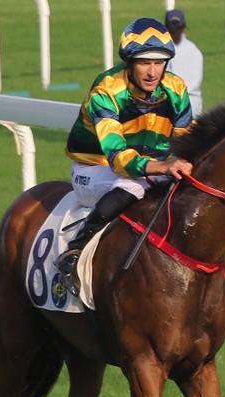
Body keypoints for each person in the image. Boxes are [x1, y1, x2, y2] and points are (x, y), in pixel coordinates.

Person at [54, 17, 195, 295]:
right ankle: (76, 250)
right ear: (129, 63)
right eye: (144, 62)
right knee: (139, 184)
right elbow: (119, 159)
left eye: (159, 62)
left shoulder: (176, 88)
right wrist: (164, 167)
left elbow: (186, 140)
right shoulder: (106, 91)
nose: (153, 72)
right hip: (94, 168)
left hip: (147, 167)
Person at [165, 8, 204, 114]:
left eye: (178, 28)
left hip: (177, 104)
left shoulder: (164, 50)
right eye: (173, 29)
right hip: (192, 104)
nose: (175, 32)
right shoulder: (195, 50)